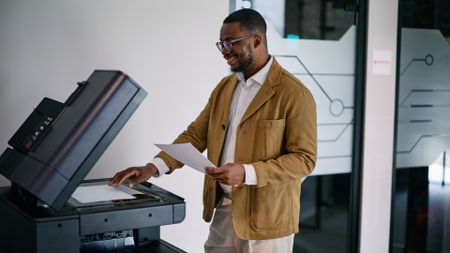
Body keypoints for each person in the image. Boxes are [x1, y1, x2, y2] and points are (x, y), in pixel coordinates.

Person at [109, 8, 317, 253]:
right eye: (221, 44)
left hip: (267, 222)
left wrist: (247, 172)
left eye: (231, 42)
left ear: (257, 40)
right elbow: (196, 134)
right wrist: (153, 168)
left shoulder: (294, 94)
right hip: (224, 210)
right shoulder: (225, 87)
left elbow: (304, 160)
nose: (225, 51)